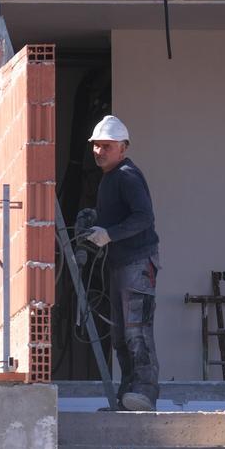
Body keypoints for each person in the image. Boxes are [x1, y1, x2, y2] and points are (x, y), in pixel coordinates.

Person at [85, 115, 161, 412]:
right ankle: (129, 394)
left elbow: (144, 218)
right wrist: (95, 220)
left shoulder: (127, 175)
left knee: (136, 330)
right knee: (120, 334)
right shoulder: (110, 178)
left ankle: (144, 391)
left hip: (138, 262)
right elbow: (119, 216)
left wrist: (110, 234)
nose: (99, 151)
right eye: (96, 146)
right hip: (120, 263)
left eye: (106, 146)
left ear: (123, 148)